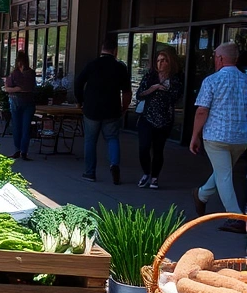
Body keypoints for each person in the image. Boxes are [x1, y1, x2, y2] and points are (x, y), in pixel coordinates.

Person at [190, 42, 247, 233]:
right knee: (224, 171)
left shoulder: (212, 80)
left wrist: (194, 136)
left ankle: (235, 217)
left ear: (220, 59)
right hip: (241, 137)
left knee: (223, 175)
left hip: (216, 136)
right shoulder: (245, 80)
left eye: (215, 56)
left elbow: (202, 111)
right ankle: (201, 195)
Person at [75, 37, 132, 184]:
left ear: (102, 49)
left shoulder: (92, 64)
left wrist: (80, 101)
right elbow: (127, 91)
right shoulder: (120, 67)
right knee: (112, 139)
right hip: (112, 110)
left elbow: (78, 82)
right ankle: (114, 165)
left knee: (90, 141)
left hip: (91, 109)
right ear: (115, 51)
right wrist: (124, 108)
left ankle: (89, 173)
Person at [135, 49, 183, 189]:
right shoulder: (150, 76)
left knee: (158, 149)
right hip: (147, 117)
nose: (160, 63)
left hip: (164, 119)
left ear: (170, 62)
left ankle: (154, 177)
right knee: (143, 147)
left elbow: (176, 98)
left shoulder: (175, 79)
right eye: (158, 60)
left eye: (164, 60)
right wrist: (153, 88)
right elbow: (139, 95)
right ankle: (146, 173)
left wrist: (166, 90)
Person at [3, 51, 36, 160]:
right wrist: (17, 88)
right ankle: (20, 150)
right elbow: (7, 88)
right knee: (19, 127)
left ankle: (21, 151)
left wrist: (14, 89)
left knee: (23, 127)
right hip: (22, 101)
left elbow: (25, 87)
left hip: (19, 101)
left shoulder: (24, 73)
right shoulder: (17, 73)